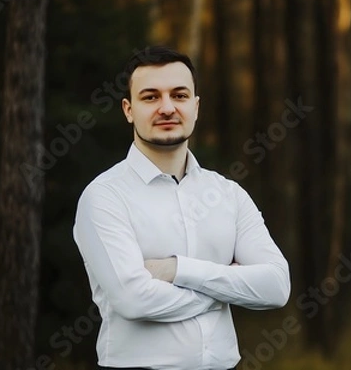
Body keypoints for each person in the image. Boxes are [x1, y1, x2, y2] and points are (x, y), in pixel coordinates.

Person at [73, 46, 291, 370]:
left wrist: (177, 270)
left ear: (196, 106)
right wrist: (226, 291)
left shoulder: (228, 194)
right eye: (150, 97)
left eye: (179, 95)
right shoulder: (104, 197)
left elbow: (276, 286)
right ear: (128, 109)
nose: (167, 108)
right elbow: (134, 299)